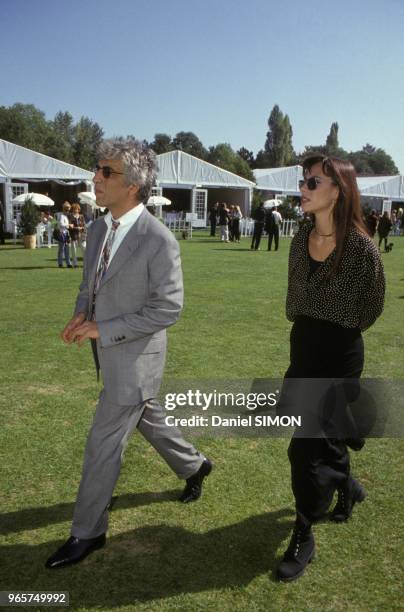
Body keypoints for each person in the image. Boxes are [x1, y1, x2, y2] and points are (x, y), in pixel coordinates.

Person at [46, 138, 212, 569]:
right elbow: (90, 284)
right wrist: (80, 314)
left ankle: (88, 532)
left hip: (136, 360)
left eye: (107, 172)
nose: (96, 178)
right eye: (97, 169)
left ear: (133, 184)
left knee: (102, 445)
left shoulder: (158, 240)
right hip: (113, 357)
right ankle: (194, 466)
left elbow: (168, 307)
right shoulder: (100, 226)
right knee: (147, 419)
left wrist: (104, 328)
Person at [276, 155, 385, 582]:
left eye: (314, 182)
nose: (303, 188)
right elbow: (294, 300)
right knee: (327, 438)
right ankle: (348, 486)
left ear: (338, 190)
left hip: (339, 356)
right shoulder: (300, 235)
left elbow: (372, 306)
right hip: (303, 350)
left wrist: (334, 323)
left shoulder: (360, 248)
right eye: (303, 181)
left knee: (303, 449)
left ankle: (304, 532)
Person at [68, 203, 86, 267]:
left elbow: (84, 225)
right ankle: (75, 264)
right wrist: (76, 228)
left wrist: (82, 228)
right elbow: (70, 226)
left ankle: (86, 263)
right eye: (75, 209)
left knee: (84, 248)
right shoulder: (70, 216)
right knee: (74, 250)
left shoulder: (81, 216)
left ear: (79, 210)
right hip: (74, 235)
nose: (76, 210)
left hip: (81, 235)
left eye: (77, 209)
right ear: (72, 210)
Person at [56, 202, 73, 268]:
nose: (68, 211)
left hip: (66, 234)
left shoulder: (65, 216)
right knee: (61, 249)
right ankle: (60, 263)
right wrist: (69, 225)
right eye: (66, 209)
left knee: (67, 249)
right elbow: (60, 224)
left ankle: (68, 263)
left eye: (68, 209)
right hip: (61, 234)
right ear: (63, 209)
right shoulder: (61, 215)